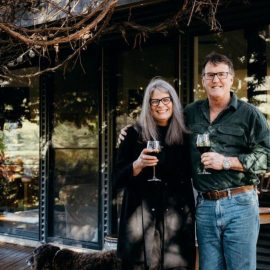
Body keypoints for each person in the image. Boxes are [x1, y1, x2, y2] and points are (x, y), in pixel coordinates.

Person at [184, 52, 270, 270]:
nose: (216, 80)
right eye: (210, 75)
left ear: (232, 79)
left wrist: (226, 162)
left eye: (221, 74)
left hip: (240, 204)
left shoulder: (249, 114)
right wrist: (132, 130)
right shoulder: (190, 113)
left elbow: (268, 157)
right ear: (203, 80)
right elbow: (164, 130)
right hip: (204, 206)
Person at [113, 78, 195, 270]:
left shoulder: (185, 137)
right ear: (148, 106)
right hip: (140, 222)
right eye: (155, 101)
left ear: (173, 102)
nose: (161, 105)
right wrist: (137, 165)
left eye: (166, 99)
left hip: (175, 223)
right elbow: (116, 180)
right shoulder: (133, 135)